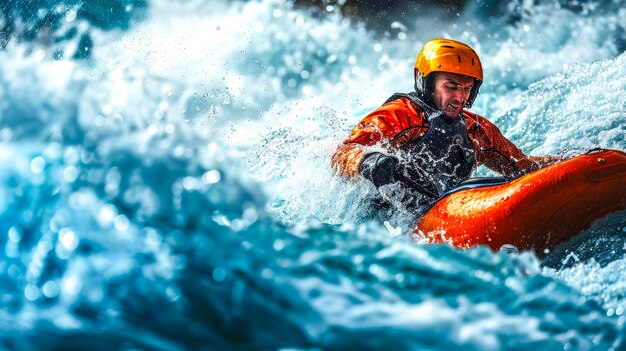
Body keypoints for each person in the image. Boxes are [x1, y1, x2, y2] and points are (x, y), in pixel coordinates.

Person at [331, 38, 559, 211]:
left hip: (444, 210)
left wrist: (566, 161)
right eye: (451, 86)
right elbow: (344, 152)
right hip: (386, 215)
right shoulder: (402, 115)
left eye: (467, 89)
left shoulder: (476, 130)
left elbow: (522, 167)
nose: (460, 98)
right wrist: (369, 161)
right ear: (428, 84)